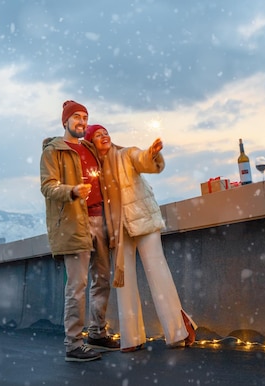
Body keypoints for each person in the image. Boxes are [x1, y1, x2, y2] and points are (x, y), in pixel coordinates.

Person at [83, 123, 196, 352]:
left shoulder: (125, 154)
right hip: (119, 230)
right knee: (124, 283)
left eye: (105, 133)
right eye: (98, 135)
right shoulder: (95, 169)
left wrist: (152, 153)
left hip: (143, 221)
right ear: (91, 142)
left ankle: (177, 331)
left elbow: (141, 159)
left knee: (158, 274)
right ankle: (131, 338)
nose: (104, 136)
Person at [40, 101, 120, 362]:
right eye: (76, 117)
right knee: (77, 285)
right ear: (65, 121)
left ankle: (97, 332)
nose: (82, 122)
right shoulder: (54, 151)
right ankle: (73, 344)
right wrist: (72, 191)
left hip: (100, 219)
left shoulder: (87, 146)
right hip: (75, 222)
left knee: (102, 279)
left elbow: (113, 152)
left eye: (85, 117)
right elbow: (48, 186)